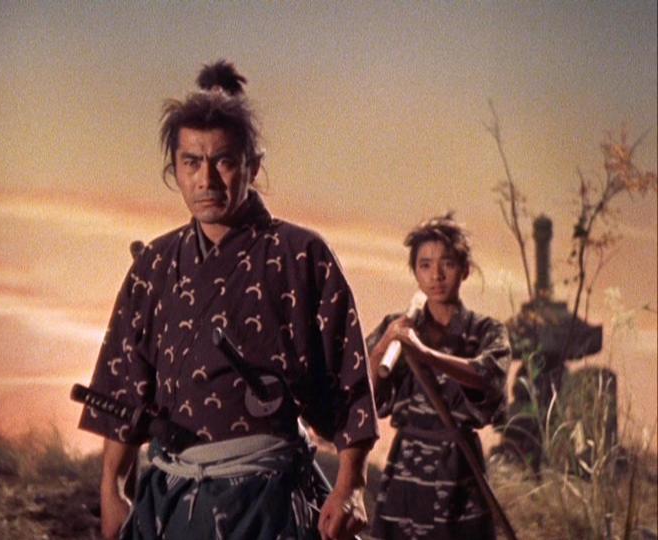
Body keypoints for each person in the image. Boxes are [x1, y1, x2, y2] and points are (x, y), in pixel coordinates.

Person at [78, 60, 378, 540]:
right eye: (191, 163)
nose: (207, 180)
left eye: (224, 161)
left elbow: (348, 381)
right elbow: (124, 382)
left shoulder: (301, 254)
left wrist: (351, 484)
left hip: (269, 499)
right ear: (174, 170)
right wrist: (112, 485)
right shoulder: (154, 264)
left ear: (252, 166)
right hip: (171, 499)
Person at [365, 214, 510, 540]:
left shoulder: (485, 331)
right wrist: (385, 344)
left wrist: (426, 354)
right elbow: (365, 391)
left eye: (448, 264)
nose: (437, 275)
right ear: (415, 273)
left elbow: (487, 376)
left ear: (465, 270)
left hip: (459, 471)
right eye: (425, 265)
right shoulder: (399, 327)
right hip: (406, 471)